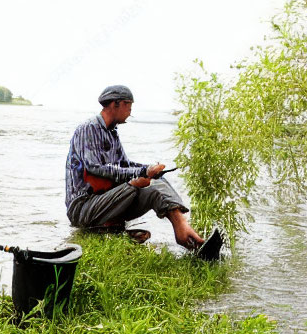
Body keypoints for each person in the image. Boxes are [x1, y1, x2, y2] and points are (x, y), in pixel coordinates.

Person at [64, 85, 205, 250]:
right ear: (115, 104)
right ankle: (108, 230)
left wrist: (150, 170)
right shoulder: (88, 128)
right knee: (137, 183)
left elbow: (124, 165)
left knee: (155, 182)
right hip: (84, 208)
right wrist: (142, 173)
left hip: (108, 201)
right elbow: (95, 167)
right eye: (128, 105)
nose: (130, 111)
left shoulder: (112, 132)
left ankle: (183, 229)